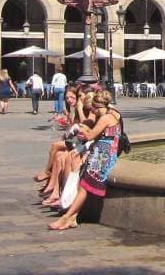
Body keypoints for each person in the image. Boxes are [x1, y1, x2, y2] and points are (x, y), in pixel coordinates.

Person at [49, 90, 121, 230]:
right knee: (83, 184)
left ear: (97, 106)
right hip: (102, 152)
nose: (92, 112)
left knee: (84, 186)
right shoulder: (114, 114)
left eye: (93, 108)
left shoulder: (105, 118)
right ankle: (72, 217)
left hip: (103, 156)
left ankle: (67, 218)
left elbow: (90, 136)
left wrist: (81, 131)